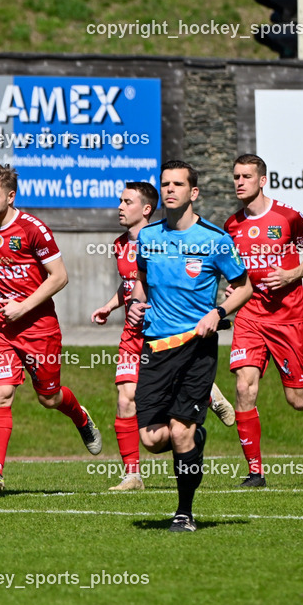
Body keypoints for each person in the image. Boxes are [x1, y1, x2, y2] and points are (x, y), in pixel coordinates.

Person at [126, 160, 252, 532]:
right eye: (165, 184)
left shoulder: (214, 239)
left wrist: (219, 312)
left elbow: (243, 286)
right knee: (152, 439)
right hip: (156, 346)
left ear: (193, 192)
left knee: (178, 431)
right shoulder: (148, 238)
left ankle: (184, 513)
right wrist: (137, 304)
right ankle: (198, 434)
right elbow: (142, 280)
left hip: (197, 346)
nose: (169, 190)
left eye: (177, 184)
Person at [0, 160, 101, 495]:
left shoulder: (33, 229)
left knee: (49, 398)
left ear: (11, 196)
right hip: (2, 328)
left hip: (39, 329)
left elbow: (60, 276)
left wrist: (24, 306)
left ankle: (81, 418)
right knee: (1, 395)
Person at [93, 184, 236, 491]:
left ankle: (202, 399)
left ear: (146, 209)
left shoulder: (165, 240)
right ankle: (132, 475)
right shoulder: (120, 244)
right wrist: (110, 306)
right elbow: (132, 285)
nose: (119, 206)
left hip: (166, 335)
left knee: (167, 423)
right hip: (133, 335)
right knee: (124, 400)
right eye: (120, 200)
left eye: (127, 201)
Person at [223, 154, 303, 487]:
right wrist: (229, 295)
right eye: (236, 176)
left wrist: (292, 273)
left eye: (246, 176)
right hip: (250, 316)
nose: (239, 182)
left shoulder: (288, 217)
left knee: (297, 400)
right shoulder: (231, 225)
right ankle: (255, 473)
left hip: (288, 318)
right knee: (244, 387)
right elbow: (235, 273)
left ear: (262, 180)